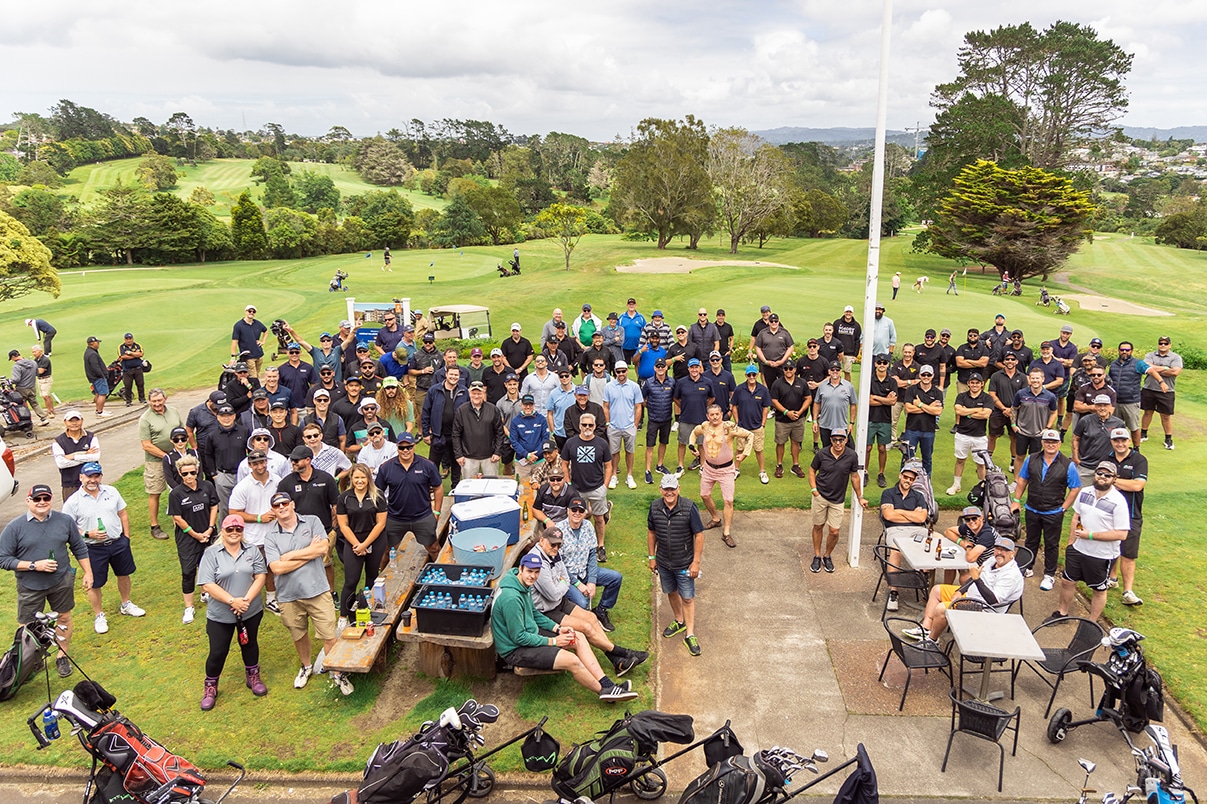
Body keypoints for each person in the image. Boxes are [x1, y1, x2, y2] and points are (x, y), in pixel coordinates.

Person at [491, 553, 638, 702]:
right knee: (571, 661)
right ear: (521, 569)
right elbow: (519, 637)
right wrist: (554, 642)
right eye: (529, 571)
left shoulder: (522, 583)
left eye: (536, 572)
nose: (533, 576)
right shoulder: (511, 598)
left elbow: (534, 614)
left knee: (578, 637)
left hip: (528, 632)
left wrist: (557, 629)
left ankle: (607, 684)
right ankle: (605, 693)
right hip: (515, 649)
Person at [263, 492, 353, 695]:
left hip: (317, 591)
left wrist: (290, 556)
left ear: (293, 504)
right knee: (299, 634)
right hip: (288, 596)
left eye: (285, 503)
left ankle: (337, 672)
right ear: (273, 511)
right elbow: (276, 568)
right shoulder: (270, 536)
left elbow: (322, 549)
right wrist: (308, 553)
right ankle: (306, 667)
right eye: (277, 506)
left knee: (329, 635)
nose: (282, 507)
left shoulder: (312, 521)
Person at [0, 484, 93, 678]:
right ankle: (31, 661)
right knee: (27, 626)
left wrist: (88, 573)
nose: (42, 502)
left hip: (61, 581)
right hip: (30, 585)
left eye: (46, 498)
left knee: (64, 617)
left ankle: (62, 655)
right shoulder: (15, 527)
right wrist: (34, 565)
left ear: (51, 500)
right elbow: (3, 559)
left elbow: (79, 547)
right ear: (28, 501)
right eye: (37, 499)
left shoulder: (65, 521)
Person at [525, 527, 647, 672]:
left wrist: (561, 583)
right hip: (546, 610)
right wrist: (563, 582)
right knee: (585, 627)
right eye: (553, 544)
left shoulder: (553, 553)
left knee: (592, 618)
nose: (556, 548)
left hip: (559, 602)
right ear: (542, 541)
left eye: (559, 545)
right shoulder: (537, 562)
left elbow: (566, 577)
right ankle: (622, 653)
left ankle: (617, 661)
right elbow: (553, 594)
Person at [62, 463, 146, 633]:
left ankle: (126, 603)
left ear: (100, 477)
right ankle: (99, 615)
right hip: (92, 549)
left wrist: (126, 537)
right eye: (89, 476)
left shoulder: (112, 492)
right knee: (94, 583)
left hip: (118, 543)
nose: (93, 480)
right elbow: (68, 528)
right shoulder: (73, 502)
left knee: (124, 574)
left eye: (96, 476)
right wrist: (87, 534)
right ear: (81, 478)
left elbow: (122, 513)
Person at [197, 515, 269, 710]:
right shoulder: (212, 553)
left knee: (250, 643)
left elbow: (260, 576)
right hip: (221, 614)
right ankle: (210, 686)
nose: (234, 533)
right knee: (218, 651)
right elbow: (206, 584)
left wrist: (245, 600)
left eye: (238, 529)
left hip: (250, 610)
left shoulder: (252, 550)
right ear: (223, 530)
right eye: (230, 529)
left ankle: (253, 676)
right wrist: (232, 601)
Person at [902, 537, 1025, 645]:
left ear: (1012, 554)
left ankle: (932, 640)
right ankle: (926, 628)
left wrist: (976, 580)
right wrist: (960, 591)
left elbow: (993, 600)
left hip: (984, 608)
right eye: (997, 548)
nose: (999, 552)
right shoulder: (992, 560)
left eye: (1004, 550)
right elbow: (974, 576)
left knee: (941, 609)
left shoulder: (1011, 576)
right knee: (936, 590)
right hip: (971, 595)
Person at [1051, 461, 1131, 623]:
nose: (1102, 477)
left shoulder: (1119, 501)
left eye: (1107, 475)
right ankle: (1062, 613)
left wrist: (1091, 535)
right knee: (1067, 581)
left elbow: (1122, 534)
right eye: (1099, 473)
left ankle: (1091, 622)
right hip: (1078, 549)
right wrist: (1070, 543)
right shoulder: (1085, 492)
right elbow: (1076, 517)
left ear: (1114, 479)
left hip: (1102, 555)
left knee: (1098, 589)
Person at [1012, 429, 1081, 591]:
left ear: (1059, 444)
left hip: (1053, 511)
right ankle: (1026, 567)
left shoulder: (1067, 465)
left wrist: (1063, 508)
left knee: (1051, 544)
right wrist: (1016, 500)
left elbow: (1075, 488)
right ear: (1042, 443)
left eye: (1054, 442)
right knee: (1031, 540)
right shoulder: (1031, 459)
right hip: (1032, 508)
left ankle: (1049, 574)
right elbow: (1022, 480)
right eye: (1048, 442)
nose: (1051, 445)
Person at [647, 474, 705, 656]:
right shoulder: (655, 507)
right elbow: (651, 532)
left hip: (684, 563)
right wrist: (651, 557)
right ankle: (679, 621)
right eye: (666, 489)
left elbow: (699, 535)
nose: (669, 493)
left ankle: (690, 633)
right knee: (671, 592)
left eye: (672, 489)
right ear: (661, 489)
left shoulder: (689, 508)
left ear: (678, 489)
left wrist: (695, 562)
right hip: (664, 562)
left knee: (687, 597)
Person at [554, 498, 624, 631]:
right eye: (573, 510)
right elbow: (558, 564)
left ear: (585, 513)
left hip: (584, 571)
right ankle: (570, 612)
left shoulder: (588, 526)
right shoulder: (558, 530)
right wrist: (577, 584)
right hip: (566, 578)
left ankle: (601, 610)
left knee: (616, 578)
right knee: (582, 603)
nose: (577, 513)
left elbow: (592, 555)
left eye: (581, 510)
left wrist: (591, 581)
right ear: (567, 511)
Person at [688, 405, 752, 548]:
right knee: (704, 495)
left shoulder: (728, 428)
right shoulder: (705, 427)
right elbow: (694, 433)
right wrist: (691, 446)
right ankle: (716, 518)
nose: (715, 417)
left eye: (717, 414)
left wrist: (745, 453)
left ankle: (726, 533)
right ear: (707, 416)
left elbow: (749, 435)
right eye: (712, 415)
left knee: (728, 500)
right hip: (709, 468)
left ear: (722, 414)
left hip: (726, 470)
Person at [376, 432, 444, 562]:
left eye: (409, 447)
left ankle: (442, 576)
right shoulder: (386, 468)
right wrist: (381, 514)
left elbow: (438, 488)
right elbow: (378, 492)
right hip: (395, 518)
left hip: (422, 516)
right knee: (386, 550)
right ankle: (380, 579)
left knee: (434, 548)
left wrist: (436, 511)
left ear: (414, 447)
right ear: (397, 448)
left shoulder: (428, 465)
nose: (405, 450)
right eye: (402, 448)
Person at [226, 449, 281, 612]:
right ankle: (246, 600)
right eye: (255, 464)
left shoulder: (277, 481)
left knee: (271, 569)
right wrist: (259, 518)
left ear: (266, 462)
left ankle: (271, 599)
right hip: (252, 538)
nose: (259, 466)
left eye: (262, 462)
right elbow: (233, 513)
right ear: (250, 465)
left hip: (274, 534)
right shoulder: (242, 487)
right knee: (251, 571)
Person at [166, 455, 218, 625]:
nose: (189, 476)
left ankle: (207, 593)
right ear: (180, 474)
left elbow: (214, 506)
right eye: (185, 473)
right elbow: (177, 518)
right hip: (188, 538)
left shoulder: (207, 486)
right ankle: (189, 606)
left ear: (197, 471)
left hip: (208, 534)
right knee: (188, 571)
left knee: (210, 566)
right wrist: (196, 534)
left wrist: (210, 529)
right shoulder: (176, 494)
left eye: (192, 472)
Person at [808, 429, 866, 573]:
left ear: (846, 440)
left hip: (838, 499)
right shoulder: (822, 453)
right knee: (818, 526)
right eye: (835, 440)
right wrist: (814, 490)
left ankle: (827, 555)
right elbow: (811, 470)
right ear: (831, 440)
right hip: (820, 496)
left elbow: (855, 477)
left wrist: (860, 496)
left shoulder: (851, 456)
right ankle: (817, 555)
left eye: (841, 440)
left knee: (834, 531)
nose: (838, 443)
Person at [336, 464, 387, 626]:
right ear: (351, 478)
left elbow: (380, 524)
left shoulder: (377, 496)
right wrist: (358, 545)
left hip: (375, 539)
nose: (359, 481)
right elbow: (343, 525)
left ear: (368, 479)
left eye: (363, 477)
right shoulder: (344, 497)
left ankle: (369, 610)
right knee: (351, 580)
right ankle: (344, 617)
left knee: (372, 576)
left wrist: (365, 544)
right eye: (356, 477)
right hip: (353, 541)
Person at [561, 413, 613, 562]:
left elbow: (609, 466)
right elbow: (564, 464)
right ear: (580, 426)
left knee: (599, 518)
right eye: (584, 425)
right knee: (577, 517)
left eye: (590, 425)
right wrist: (569, 483)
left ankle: (600, 546)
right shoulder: (571, 443)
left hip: (597, 487)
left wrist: (605, 486)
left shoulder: (602, 443)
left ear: (595, 426)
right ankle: (579, 544)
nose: (587, 428)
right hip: (577, 488)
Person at [879, 463, 929, 612]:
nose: (908, 480)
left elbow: (922, 519)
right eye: (905, 477)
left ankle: (923, 581)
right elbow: (888, 515)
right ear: (900, 476)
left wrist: (899, 511)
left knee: (930, 544)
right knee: (896, 550)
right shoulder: (888, 493)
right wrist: (912, 514)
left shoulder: (919, 496)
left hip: (917, 529)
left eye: (911, 479)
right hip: (895, 529)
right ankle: (893, 592)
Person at [1107, 428, 1147, 607]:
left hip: (1132, 514)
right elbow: (1099, 481)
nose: (1120, 444)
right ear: (1112, 442)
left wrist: (1113, 480)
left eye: (1123, 440)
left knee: (1128, 553)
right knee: (1111, 547)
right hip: (1109, 512)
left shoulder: (1139, 460)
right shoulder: (1107, 459)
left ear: (1129, 441)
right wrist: (1121, 483)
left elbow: (1138, 485)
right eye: (1116, 441)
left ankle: (1128, 591)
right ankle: (1111, 578)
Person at [138, 389, 184, 541]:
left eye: (159, 400)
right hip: (155, 460)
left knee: (179, 488)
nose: (157, 404)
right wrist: (167, 457)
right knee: (155, 491)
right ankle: (154, 526)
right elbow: (146, 445)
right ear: (149, 401)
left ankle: (181, 521)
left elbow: (182, 432)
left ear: (165, 398)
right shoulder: (145, 419)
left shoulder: (174, 411)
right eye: (153, 401)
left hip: (176, 456)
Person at [1109, 341, 1168, 449]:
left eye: (1127, 350)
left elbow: (1151, 371)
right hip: (1115, 401)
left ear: (1131, 351)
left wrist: (1161, 382)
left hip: (1131, 401)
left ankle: (1136, 449)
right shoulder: (1113, 364)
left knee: (1133, 427)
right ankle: (1115, 448)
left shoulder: (1138, 363)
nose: (1124, 352)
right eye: (1122, 350)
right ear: (1119, 351)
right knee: (1114, 427)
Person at [947, 372, 992, 496]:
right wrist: (977, 410)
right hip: (962, 434)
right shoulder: (962, 396)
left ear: (982, 384)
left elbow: (986, 414)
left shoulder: (987, 398)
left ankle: (982, 486)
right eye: (972, 382)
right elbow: (958, 410)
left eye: (977, 383)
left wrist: (966, 412)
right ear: (968, 383)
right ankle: (956, 485)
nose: (974, 385)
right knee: (960, 460)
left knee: (981, 463)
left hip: (980, 436)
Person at [422, 365, 469, 486]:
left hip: (457, 435)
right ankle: (432, 487)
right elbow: (426, 411)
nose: (454, 377)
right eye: (451, 374)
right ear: (446, 375)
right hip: (438, 434)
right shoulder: (434, 390)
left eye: (456, 375)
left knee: (457, 463)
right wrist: (426, 433)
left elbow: (469, 413)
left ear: (459, 376)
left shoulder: (464, 391)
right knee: (433, 464)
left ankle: (455, 487)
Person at [603, 361, 643, 489]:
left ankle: (629, 475)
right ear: (615, 372)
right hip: (614, 426)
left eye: (623, 371)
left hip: (629, 426)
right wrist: (608, 423)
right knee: (614, 452)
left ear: (627, 371)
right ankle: (614, 475)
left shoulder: (634, 386)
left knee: (630, 451)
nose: (621, 374)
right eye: (618, 371)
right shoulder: (609, 386)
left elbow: (638, 407)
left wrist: (635, 425)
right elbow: (605, 406)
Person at [452, 380, 504, 477]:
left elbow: (499, 433)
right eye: (473, 393)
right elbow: (456, 435)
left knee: (491, 487)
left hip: (490, 457)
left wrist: (497, 452)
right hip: (468, 457)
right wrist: (459, 455)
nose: (476, 396)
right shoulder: (461, 411)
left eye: (479, 393)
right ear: (469, 393)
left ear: (483, 393)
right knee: (469, 488)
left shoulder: (493, 410)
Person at [1071, 395, 1125, 486]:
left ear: (1110, 406)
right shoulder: (1085, 420)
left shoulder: (1118, 423)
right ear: (1095, 406)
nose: (1102, 408)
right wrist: (1076, 458)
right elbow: (1075, 438)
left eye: (1105, 405)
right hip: (1085, 466)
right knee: (1081, 496)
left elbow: (1122, 444)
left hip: (1107, 468)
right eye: (1099, 405)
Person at [901, 365, 943, 477]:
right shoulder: (911, 390)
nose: (926, 377)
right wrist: (930, 407)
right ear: (919, 375)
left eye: (928, 375)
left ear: (933, 376)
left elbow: (938, 412)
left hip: (928, 430)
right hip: (911, 429)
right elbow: (908, 409)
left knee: (927, 458)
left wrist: (920, 404)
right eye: (923, 374)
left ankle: (926, 481)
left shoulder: (937, 392)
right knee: (907, 457)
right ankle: (904, 479)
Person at [731, 364, 771, 484]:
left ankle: (762, 471)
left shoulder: (763, 390)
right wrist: (737, 422)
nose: (752, 377)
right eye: (749, 375)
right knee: (739, 449)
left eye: (754, 374)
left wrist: (763, 423)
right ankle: (736, 469)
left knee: (758, 450)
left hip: (757, 426)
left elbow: (765, 408)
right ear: (746, 375)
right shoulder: (739, 389)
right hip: (742, 426)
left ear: (757, 375)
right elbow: (734, 407)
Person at [1140, 337, 1182, 450]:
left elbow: (1175, 372)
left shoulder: (1175, 357)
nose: (1163, 345)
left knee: (1166, 416)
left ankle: (1168, 439)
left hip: (1166, 390)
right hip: (1149, 388)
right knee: (1147, 412)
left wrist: (1154, 369)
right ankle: (1143, 433)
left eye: (1165, 343)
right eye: (1160, 343)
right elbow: (1146, 367)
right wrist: (1165, 368)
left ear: (1169, 345)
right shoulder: (1150, 355)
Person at [672, 359, 713, 475]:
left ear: (700, 368)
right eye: (692, 367)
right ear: (688, 369)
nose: (694, 370)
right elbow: (675, 398)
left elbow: (712, 398)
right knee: (682, 443)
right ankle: (680, 466)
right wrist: (684, 406)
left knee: (701, 444)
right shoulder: (681, 382)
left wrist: (703, 407)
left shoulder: (707, 382)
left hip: (701, 419)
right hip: (685, 418)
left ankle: (703, 466)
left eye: (696, 367)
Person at [937, 506, 999, 581]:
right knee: (950, 566)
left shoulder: (987, 534)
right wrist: (962, 542)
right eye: (967, 519)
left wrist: (968, 547)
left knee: (965, 578)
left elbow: (970, 558)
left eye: (974, 518)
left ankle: (965, 592)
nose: (971, 521)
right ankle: (946, 589)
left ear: (981, 518)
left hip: (991, 567)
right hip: (978, 561)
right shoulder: (968, 527)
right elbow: (948, 531)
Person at [987, 352, 1025, 470]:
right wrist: (1004, 408)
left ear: (1016, 361)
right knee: (992, 435)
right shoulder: (996, 376)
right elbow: (992, 394)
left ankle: (1013, 462)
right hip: (998, 411)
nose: (1010, 361)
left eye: (1012, 359)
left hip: (1016, 412)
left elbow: (1024, 397)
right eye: (1007, 359)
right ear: (1004, 361)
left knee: (1014, 436)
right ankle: (988, 461)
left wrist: (1012, 410)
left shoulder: (1023, 377)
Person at [771, 363, 809, 479]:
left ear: (795, 370)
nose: (788, 370)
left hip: (798, 418)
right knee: (780, 442)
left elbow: (808, 398)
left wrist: (800, 411)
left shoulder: (802, 382)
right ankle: (779, 465)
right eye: (786, 368)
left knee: (796, 442)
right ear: (783, 370)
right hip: (782, 419)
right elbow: (774, 400)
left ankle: (795, 465)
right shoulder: (777, 383)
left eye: (791, 368)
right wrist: (786, 412)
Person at [1012, 368, 1060, 459]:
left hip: (1039, 433)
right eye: (1032, 378)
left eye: (1037, 378)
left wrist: (1047, 428)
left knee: (1035, 459)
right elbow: (1014, 408)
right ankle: (1017, 474)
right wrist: (1014, 424)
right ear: (1029, 379)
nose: (1035, 381)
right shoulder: (1021, 393)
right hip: (1022, 432)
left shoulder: (1050, 396)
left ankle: (1032, 474)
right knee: (1019, 457)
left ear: (1043, 379)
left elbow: (1054, 412)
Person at [52, 411, 100, 500]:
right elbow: (61, 463)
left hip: (91, 481)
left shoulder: (91, 437)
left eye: (77, 420)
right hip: (70, 483)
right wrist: (85, 454)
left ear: (82, 421)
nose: (74, 423)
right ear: (65, 422)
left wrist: (73, 456)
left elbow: (95, 457)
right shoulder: (58, 441)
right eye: (71, 421)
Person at [641, 359, 675, 482]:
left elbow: (673, 398)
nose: (660, 369)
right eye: (658, 366)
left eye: (662, 366)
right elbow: (642, 398)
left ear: (666, 368)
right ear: (654, 368)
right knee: (650, 445)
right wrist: (649, 407)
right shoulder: (649, 383)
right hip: (653, 420)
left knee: (663, 442)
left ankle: (659, 465)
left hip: (666, 418)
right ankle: (648, 470)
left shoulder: (671, 382)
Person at [865, 355, 896, 489]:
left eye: (885, 362)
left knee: (882, 448)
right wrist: (885, 400)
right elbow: (867, 401)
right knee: (867, 448)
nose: (882, 364)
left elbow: (893, 401)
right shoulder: (869, 379)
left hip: (885, 419)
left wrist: (876, 397)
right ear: (876, 364)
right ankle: (864, 471)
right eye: (879, 362)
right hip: (870, 418)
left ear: (888, 364)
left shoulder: (892, 381)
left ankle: (881, 473)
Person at [813, 361, 857, 448]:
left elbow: (853, 404)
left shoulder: (848, 386)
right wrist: (814, 421)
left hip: (841, 425)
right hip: (825, 425)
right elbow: (816, 403)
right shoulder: (822, 386)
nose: (835, 372)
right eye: (832, 370)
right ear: (829, 371)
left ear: (841, 371)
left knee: (840, 450)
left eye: (837, 369)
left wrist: (851, 423)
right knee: (826, 450)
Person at [7, 349, 50, 426]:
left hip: (21, 389)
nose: (12, 360)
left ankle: (27, 421)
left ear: (13, 357)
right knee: (35, 403)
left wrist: (9, 381)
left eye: (12, 359)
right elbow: (37, 373)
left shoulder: (17, 366)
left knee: (21, 405)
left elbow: (16, 379)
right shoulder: (33, 363)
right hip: (32, 387)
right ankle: (44, 418)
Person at [753, 313, 794, 391]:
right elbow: (758, 348)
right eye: (772, 321)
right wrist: (765, 361)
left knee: (784, 386)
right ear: (769, 322)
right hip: (768, 365)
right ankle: (772, 403)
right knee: (770, 386)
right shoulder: (763, 333)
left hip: (782, 365)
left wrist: (782, 361)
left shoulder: (784, 332)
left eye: (776, 321)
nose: (774, 323)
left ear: (778, 322)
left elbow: (790, 347)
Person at [888, 343, 920, 440]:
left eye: (909, 352)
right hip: (897, 398)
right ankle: (892, 440)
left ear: (913, 353)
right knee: (893, 421)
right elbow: (895, 383)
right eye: (905, 352)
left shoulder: (918, 367)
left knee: (910, 422)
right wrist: (910, 382)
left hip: (911, 400)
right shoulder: (896, 365)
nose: (907, 354)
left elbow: (917, 383)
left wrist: (902, 383)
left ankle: (906, 441)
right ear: (903, 352)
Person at [231, 305, 268, 379]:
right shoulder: (238, 325)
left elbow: (266, 331)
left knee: (257, 375)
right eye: (249, 311)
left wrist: (263, 341)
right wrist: (233, 356)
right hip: (248, 357)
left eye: (253, 311)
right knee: (253, 377)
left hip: (259, 354)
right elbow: (235, 341)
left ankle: (254, 389)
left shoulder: (257, 323)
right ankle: (255, 390)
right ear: (245, 312)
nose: (251, 313)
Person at [954, 328, 990, 396]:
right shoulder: (961, 348)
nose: (972, 337)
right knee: (962, 402)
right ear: (967, 336)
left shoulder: (983, 349)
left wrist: (968, 361)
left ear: (978, 337)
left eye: (975, 335)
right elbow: (959, 363)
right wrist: (977, 363)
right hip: (963, 381)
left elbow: (983, 364)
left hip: (977, 383)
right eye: (970, 335)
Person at [83, 337, 112, 418]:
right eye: (97, 342)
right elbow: (95, 367)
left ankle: (98, 410)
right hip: (98, 377)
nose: (98, 344)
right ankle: (100, 412)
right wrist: (102, 375)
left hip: (94, 377)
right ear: (92, 343)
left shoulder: (89, 352)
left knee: (98, 393)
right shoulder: (92, 354)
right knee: (102, 394)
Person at [832, 306, 862, 381]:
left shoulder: (856, 326)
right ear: (844, 312)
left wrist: (855, 355)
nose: (848, 313)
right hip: (837, 352)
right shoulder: (837, 323)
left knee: (847, 372)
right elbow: (833, 337)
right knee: (835, 371)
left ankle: (847, 389)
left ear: (852, 313)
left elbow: (857, 341)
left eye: (850, 312)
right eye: (847, 312)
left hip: (849, 353)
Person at [117, 333, 146, 406]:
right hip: (127, 370)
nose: (129, 340)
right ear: (124, 339)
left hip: (138, 368)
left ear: (132, 339)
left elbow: (141, 354)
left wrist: (130, 353)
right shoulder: (121, 347)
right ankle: (128, 401)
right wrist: (135, 355)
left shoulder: (137, 345)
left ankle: (142, 399)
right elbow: (123, 356)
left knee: (140, 384)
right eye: (127, 339)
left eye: (130, 339)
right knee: (128, 386)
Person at [29, 344, 54, 418]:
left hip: (46, 379)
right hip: (39, 380)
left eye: (35, 352)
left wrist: (32, 370)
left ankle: (49, 411)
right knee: (46, 396)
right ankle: (51, 409)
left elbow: (40, 371)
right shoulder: (36, 360)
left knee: (45, 395)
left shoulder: (45, 360)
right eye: (33, 352)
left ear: (40, 351)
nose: (34, 353)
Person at [618, 298, 646, 363]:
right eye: (630, 304)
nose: (631, 306)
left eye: (633, 304)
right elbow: (617, 330)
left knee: (638, 364)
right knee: (624, 365)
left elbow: (645, 331)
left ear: (635, 305)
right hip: (624, 346)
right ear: (627, 305)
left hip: (637, 346)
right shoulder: (622, 317)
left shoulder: (640, 317)